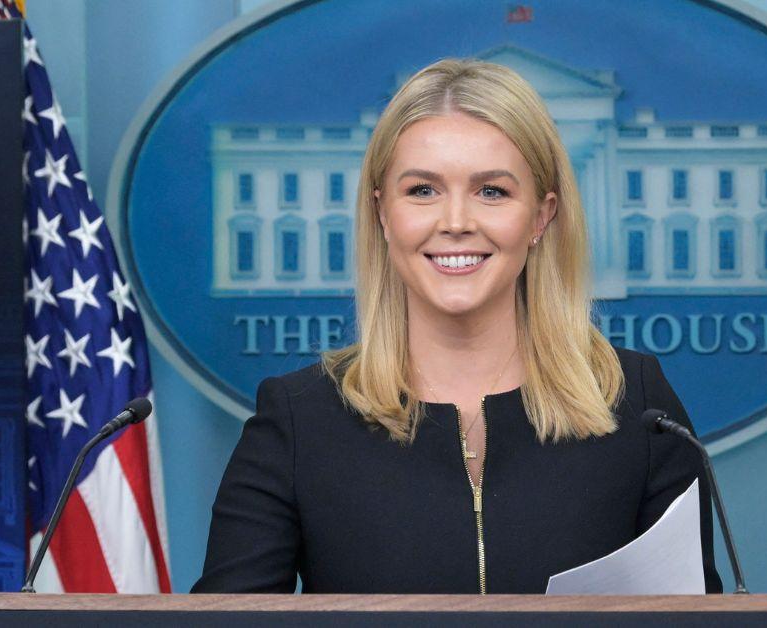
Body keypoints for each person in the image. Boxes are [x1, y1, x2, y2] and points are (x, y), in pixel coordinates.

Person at [192, 58, 722, 594]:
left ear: (541, 216)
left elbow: (699, 615)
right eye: (423, 190)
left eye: (492, 191)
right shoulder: (298, 419)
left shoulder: (640, 408)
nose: (455, 222)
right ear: (382, 212)